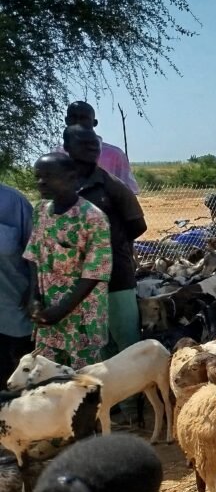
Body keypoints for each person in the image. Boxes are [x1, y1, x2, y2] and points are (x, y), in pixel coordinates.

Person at [62, 123, 146, 361]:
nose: (90, 149)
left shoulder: (110, 185)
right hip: (78, 281)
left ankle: (134, 397)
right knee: (97, 348)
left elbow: (138, 225)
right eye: (83, 144)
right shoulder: (62, 187)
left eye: (94, 145)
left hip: (115, 278)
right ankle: (111, 397)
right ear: (67, 147)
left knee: (128, 344)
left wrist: (108, 247)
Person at [23, 153, 112, 369]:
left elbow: (95, 273)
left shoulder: (92, 218)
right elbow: (34, 256)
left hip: (81, 319)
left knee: (84, 385)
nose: (41, 182)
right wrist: (34, 298)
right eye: (38, 176)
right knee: (48, 381)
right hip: (48, 315)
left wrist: (61, 310)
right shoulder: (41, 212)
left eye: (49, 176)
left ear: (72, 178)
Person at [56, 101, 140, 194]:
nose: (78, 122)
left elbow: (129, 193)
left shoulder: (114, 155)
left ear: (94, 122)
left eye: (84, 118)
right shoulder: (57, 155)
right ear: (66, 120)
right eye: (73, 117)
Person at [0, 182, 34, 384]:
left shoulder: (15, 203)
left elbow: (36, 254)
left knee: (15, 381)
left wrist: (34, 293)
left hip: (12, 313)